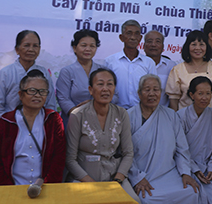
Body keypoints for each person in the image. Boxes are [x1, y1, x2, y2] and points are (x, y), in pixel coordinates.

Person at [65, 68, 139, 202]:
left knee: (133, 200)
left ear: (114, 88)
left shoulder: (122, 113)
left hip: (114, 178)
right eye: (100, 84)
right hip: (83, 179)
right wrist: (90, 182)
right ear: (90, 90)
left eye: (110, 84)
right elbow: (70, 159)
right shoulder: (77, 115)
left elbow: (128, 153)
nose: (105, 89)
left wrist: (118, 179)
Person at [127, 75, 200, 204]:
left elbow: (182, 149)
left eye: (156, 90)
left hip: (169, 173)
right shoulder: (128, 117)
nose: (152, 94)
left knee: (191, 192)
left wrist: (185, 173)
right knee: (146, 198)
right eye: (147, 90)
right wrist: (137, 178)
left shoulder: (171, 115)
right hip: (143, 175)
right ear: (139, 93)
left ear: (161, 93)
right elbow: (125, 153)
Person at [0, 70, 65, 185]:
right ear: (20, 94)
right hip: (12, 188)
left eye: (42, 91)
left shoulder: (53, 120)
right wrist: (8, 189)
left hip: (43, 187)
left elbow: (59, 158)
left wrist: (47, 184)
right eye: (32, 91)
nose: (37, 95)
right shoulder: (6, 122)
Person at [0, 30, 56, 126]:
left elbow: (50, 104)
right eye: (26, 45)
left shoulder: (44, 73)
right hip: (10, 126)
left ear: (39, 49)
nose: (31, 49)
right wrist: (5, 128)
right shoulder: (6, 73)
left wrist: (46, 127)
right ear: (17, 49)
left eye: (35, 46)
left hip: (38, 126)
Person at [179, 76, 212, 204]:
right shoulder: (181, 116)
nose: (204, 98)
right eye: (200, 93)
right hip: (186, 166)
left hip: (210, 166)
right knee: (192, 193)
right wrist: (194, 169)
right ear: (192, 95)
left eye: (208, 93)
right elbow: (180, 148)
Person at [166, 30, 212, 111]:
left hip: (210, 119)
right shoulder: (177, 70)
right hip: (183, 119)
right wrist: (175, 119)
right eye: (193, 44)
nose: (197, 48)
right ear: (187, 47)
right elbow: (174, 99)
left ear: (207, 47)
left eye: (201, 45)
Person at [104, 20, 157, 109]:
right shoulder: (110, 61)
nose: (133, 37)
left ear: (140, 38)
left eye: (136, 34)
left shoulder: (149, 62)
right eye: (129, 33)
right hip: (115, 110)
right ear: (121, 37)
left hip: (142, 111)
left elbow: (153, 88)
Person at [56, 29, 104, 124]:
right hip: (73, 120)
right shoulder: (67, 71)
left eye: (92, 46)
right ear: (75, 48)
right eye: (83, 45)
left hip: (99, 119)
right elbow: (63, 99)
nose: (88, 49)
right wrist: (77, 114)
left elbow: (114, 95)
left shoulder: (103, 71)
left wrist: (95, 105)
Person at [144, 30, 177, 107]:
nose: (153, 45)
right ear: (144, 46)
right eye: (150, 41)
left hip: (163, 112)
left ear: (162, 47)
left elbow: (174, 95)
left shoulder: (171, 66)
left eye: (157, 42)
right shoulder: (137, 64)